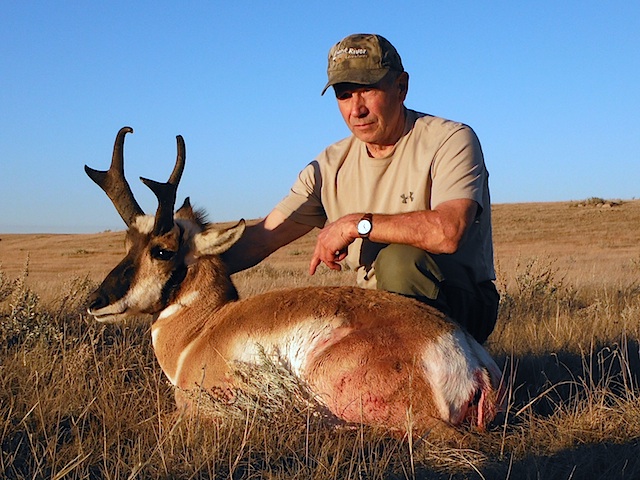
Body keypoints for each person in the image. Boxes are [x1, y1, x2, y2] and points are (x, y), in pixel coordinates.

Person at [222, 33, 499, 344]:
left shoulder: (449, 140)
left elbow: (447, 232)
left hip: (460, 301)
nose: (357, 109)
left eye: (367, 90)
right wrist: (178, 265)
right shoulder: (329, 165)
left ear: (401, 87)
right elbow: (262, 239)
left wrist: (354, 225)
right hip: (373, 308)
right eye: (344, 94)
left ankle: (424, 380)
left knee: (400, 262)